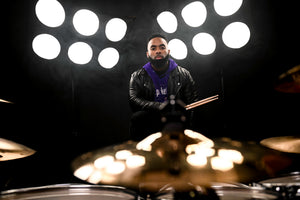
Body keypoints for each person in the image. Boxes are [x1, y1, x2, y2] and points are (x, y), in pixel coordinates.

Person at [129, 33, 199, 141]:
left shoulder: (183, 74)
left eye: (162, 47)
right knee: (138, 117)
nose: (158, 51)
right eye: (153, 48)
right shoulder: (137, 76)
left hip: (177, 119)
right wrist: (159, 106)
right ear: (148, 54)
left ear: (168, 51)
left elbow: (193, 102)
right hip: (151, 119)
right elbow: (134, 100)